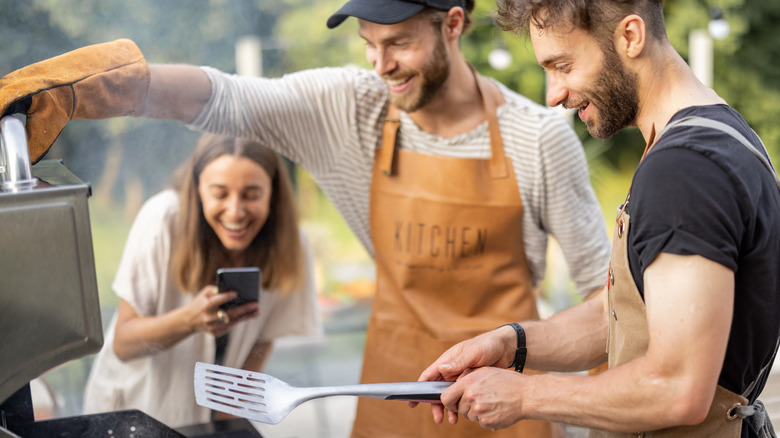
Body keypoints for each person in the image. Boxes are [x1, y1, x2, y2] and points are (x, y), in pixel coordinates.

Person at [0, 1, 611, 436]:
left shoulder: (538, 138)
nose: (380, 64)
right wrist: (98, 89)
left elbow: (602, 297)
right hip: (391, 400)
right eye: (369, 43)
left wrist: (601, 414)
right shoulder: (352, 107)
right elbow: (222, 96)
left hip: (508, 405)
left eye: (398, 43)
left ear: (452, 24)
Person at [416, 0, 780, 437]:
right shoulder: (720, 134)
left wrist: (524, 396)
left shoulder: (685, 170)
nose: (553, 95)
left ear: (630, 36)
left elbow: (677, 388)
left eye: (563, 65)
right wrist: (510, 343)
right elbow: (624, 316)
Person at [81, 133, 322, 428]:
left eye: (251, 195)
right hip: (133, 414)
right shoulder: (163, 219)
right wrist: (189, 320)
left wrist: (225, 422)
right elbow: (123, 343)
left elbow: (262, 343)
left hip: (206, 422)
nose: (235, 211)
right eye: (220, 194)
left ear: (273, 192)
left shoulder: (291, 243)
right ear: (197, 190)